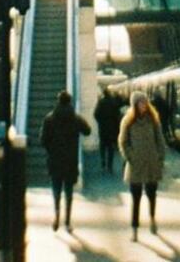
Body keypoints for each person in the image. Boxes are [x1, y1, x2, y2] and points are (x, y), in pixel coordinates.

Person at [118, 90, 167, 240]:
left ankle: (152, 219)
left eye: (145, 102)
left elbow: (160, 140)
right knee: (136, 198)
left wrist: (160, 157)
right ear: (134, 104)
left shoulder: (153, 119)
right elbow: (123, 142)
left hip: (151, 162)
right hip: (136, 164)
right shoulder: (127, 121)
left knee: (152, 194)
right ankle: (135, 229)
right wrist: (130, 156)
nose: (143, 105)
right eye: (140, 103)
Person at [40, 90, 92, 231]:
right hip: (70, 161)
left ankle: (57, 215)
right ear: (70, 102)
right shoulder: (75, 118)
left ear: (58, 101)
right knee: (69, 191)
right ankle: (68, 222)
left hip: (55, 160)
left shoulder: (49, 118)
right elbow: (88, 131)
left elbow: (43, 140)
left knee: (56, 190)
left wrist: (50, 150)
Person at [93, 89, 124, 173]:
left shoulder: (101, 102)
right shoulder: (113, 103)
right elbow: (117, 114)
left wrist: (100, 121)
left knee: (102, 146)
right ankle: (110, 165)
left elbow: (96, 114)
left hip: (103, 128)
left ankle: (103, 161)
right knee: (111, 147)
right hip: (112, 128)